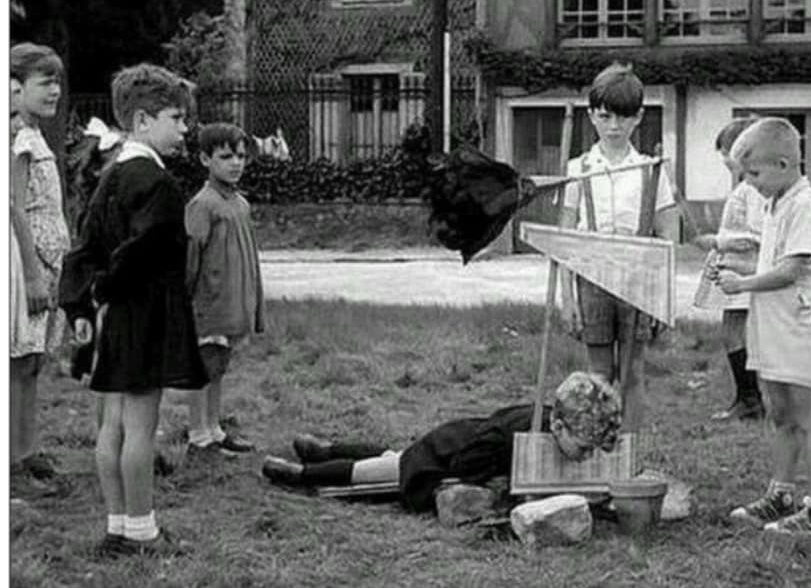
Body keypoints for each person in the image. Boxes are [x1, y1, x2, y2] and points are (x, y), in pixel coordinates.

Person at [60, 63, 209, 557]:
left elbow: (84, 247)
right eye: (176, 117)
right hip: (144, 312)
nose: (185, 129)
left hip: (112, 319)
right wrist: (107, 285)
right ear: (143, 121)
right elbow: (142, 251)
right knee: (141, 426)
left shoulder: (110, 175)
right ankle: (142, 531)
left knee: (112, 424)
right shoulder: (157, 182)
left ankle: (117, 524)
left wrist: (83, 302)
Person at [261, 371, 622, 513]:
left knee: (391, 455)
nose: (585, 456)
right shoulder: (513, 438)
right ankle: (302, 472)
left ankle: (324, 448)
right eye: (584, 448)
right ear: (557, 427)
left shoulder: (552, 426)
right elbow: (467, 466)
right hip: (446, 454)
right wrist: (499, 486)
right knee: (378, 471)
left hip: (459, 437)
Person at [715, 117, 811, 536]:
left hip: (797, 328)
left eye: (754, 174)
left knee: (808, 416)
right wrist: (734, 265)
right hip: (772, 328)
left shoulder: (806, 204)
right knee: (780, 413)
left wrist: (742, 283)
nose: (750, 183)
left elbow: (789, 271)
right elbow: (770, 262)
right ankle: (781, 494)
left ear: (784, 163)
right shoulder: (774, 203)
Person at [558, 64, 679, 432]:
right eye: (605, 116)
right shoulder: (578, 168)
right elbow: (565, 239)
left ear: (639, 117)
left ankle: (629, 450)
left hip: (638, 281)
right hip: (592, 280)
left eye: (624, 117)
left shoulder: (650, 170)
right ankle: (598, 445)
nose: (614, 126)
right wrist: (568, 297)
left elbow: (667, 238)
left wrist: (663, 297)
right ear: (592, 115)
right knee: (598, 373)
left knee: (632, 371)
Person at [10, 43, 72, 483]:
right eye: (44, 82)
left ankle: (27, 449)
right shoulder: (16, 139)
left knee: (33, 361)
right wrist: (31, 273)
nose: (54, 90)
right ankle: (13, 456)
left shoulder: (35, 134)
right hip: (23, 262)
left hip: (49, 262)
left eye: (57, 82)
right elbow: (12, 206)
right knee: (17, 360)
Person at [184, 123, 264, 457]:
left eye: (241, 156)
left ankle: (215, 428)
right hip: (209, 301)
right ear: (205, 159)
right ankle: (198, 433)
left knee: (219, 367)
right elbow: (191, 256)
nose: (236, 163)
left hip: (233, 300)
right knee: (204, 366)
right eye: (226, 156)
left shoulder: (241, 204)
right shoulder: (203, 204)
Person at [693, 117, 765, 421]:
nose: (723, 160)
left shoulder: (753, 190)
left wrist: (717, 241)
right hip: (733, 270)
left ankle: (751, 399)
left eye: (726, 152)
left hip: (745, 273)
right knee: (731, 333)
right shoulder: (744, 187)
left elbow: (755, 237)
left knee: (734, 333)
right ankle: (748, 396)